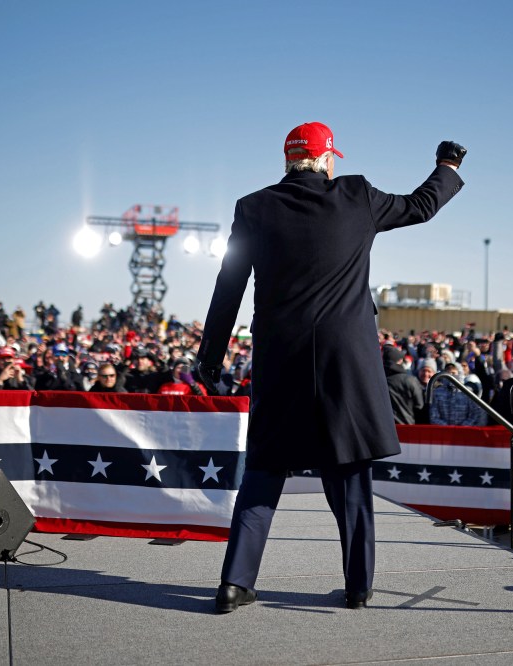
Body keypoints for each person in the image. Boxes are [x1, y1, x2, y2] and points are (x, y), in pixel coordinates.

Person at [196, 122, 465, 613]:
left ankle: (235, 583)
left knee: (264, 469)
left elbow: (228, 285)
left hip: (280, 357)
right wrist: (446, 167)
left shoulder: (253, 207)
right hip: (345, 360)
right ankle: (358, 586)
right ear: (325, 160)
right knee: (349, 473)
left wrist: (210, 354)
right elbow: (420, 206)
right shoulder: (357, 194)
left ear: (287, 161)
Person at [383, 345, 424, 425]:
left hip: (385, 428)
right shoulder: (410, 380)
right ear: (400, 361)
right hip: (407, 427)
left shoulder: (379, 380)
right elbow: (419, 405)